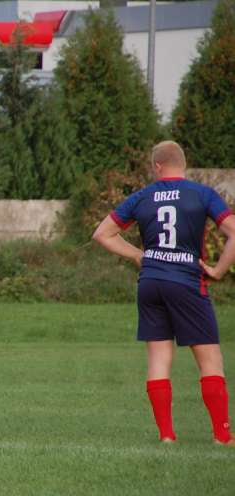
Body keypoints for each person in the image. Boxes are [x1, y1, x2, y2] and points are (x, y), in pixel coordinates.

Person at [92, 140, 235, 446]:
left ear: (157, 166)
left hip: (151, 282)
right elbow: (233, 230)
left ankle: (167, 436)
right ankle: (222, 436)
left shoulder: (143, 196)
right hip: (187, 282)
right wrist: (219, 269)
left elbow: (102, 234)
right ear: (182, 164)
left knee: (159, 358)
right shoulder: (202, 194)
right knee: (210, 360)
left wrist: (136, 255)